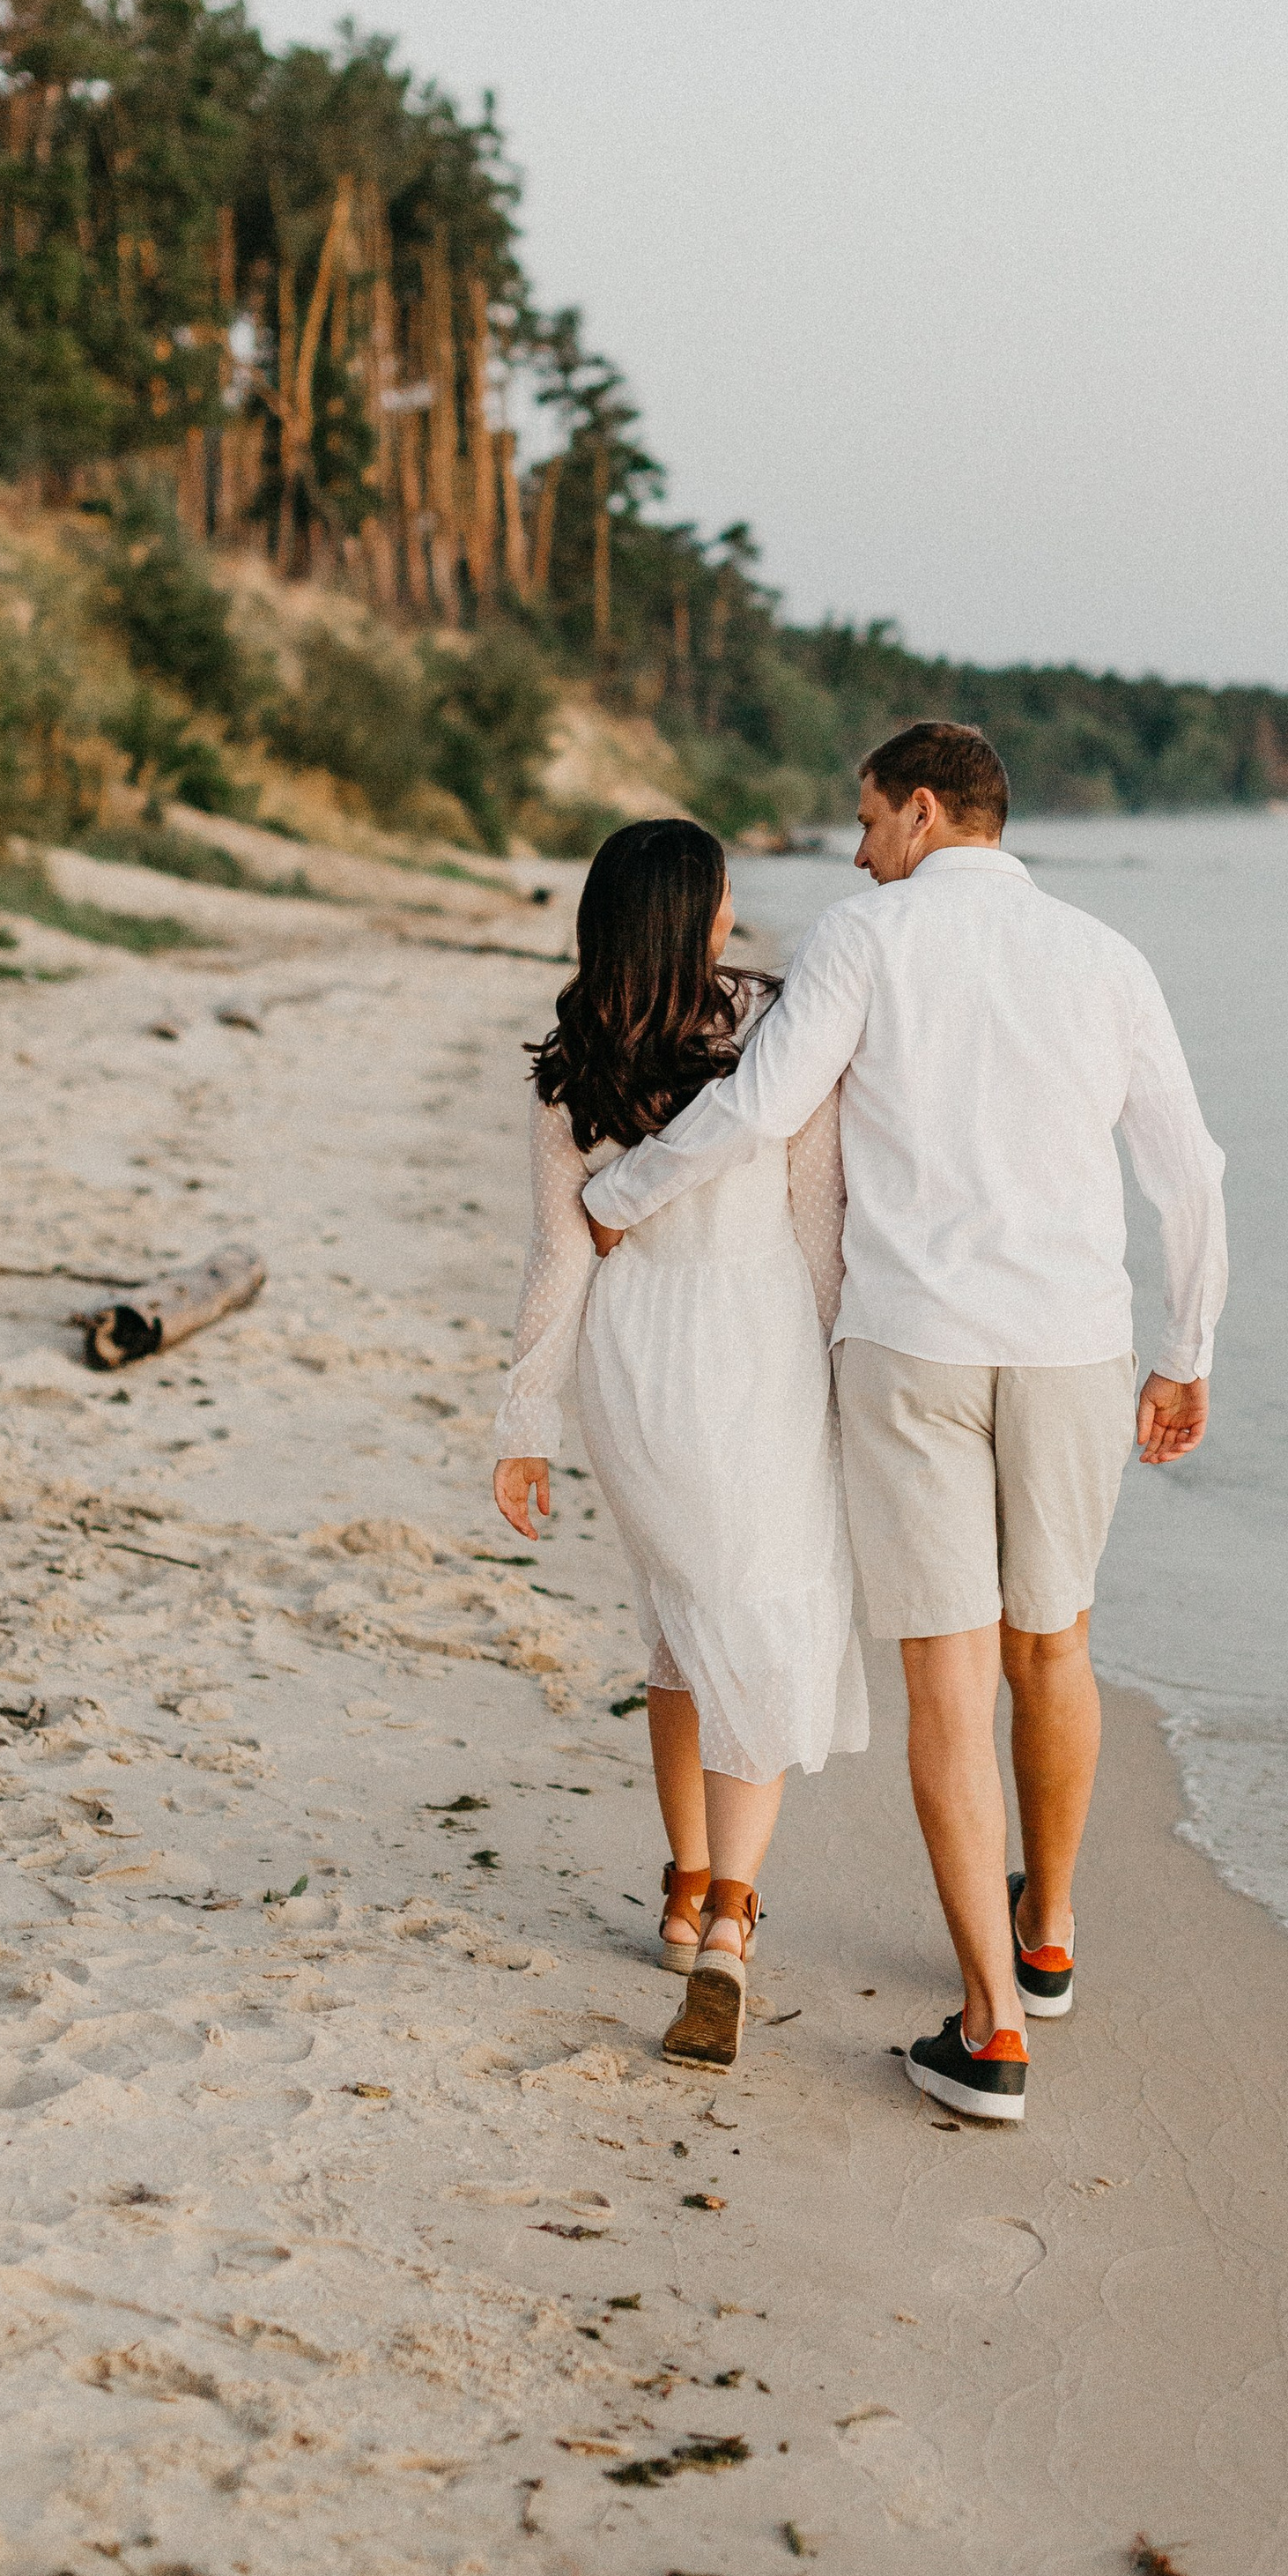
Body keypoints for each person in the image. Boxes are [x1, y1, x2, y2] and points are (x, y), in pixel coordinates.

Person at [584, 722, 1225, 2124]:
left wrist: (619, 1198)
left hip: (911, 1345)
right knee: (1053, 1641)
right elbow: (1189, 1172)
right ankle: (1045, 1933)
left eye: (869, 818)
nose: (859, 846)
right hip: (1071, 1344)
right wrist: (1188, 1351)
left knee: (950, 1682)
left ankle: (992, 2028)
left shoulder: (865, 941)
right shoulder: (1106, 957)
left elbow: (760, 1106)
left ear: (926, 812)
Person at [491, 818, 865, 2076]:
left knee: (676, 1627)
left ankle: (687, 1890)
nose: (732, 914)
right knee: (753, 1621)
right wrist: (838, 1370)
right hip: (753, 1353)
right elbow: (818, 1223)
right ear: (694, 915)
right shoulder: (772, 1029)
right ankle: (729, 1937)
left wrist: (526, 1427)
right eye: (719, 898)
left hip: (633, 1372)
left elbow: (559, 1257)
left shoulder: (571, 1066)